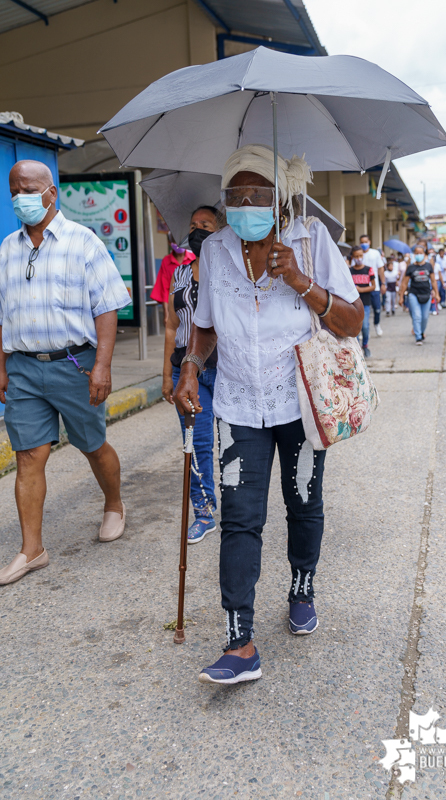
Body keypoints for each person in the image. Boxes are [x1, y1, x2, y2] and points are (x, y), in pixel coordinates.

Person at [174, 144, 364, 685]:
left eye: (257, 195)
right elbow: (205, 324)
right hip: (237, 401)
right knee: (240, 519)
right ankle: (240, 642)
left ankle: (302, 586)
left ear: (281, 199)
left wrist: (302, 281)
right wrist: (190, 365)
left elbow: (350, 321)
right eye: (235, 195)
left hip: (298, 402)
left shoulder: (310, 238)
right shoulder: (214, 250)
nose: (245, 204)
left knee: (303, 502)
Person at [0, 160, 131, 585]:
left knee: (92, 445)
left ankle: (114, 503)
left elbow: (107, 306)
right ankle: (31, 549)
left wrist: (103, 367)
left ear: (50, 193)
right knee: (28, 455)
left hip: (75, 365)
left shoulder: (83, 242)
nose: (20, 197)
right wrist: (1, 367)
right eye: (13, 189)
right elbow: (2, 316)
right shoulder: (6, 249)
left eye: (28, 189)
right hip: (22, 368)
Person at [162, 206, 223, 542]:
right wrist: (165, 375)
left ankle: (237, 503)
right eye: (193, 225)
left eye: (206, 225)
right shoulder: (180, 274)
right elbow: (172, 325)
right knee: (196, 444)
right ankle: (203, 511)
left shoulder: (232, 271)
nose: (197, 230)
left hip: (225, 370)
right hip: (184, 372)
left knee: (230, 442)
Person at [398, 245, 440, 345]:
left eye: (421, 253)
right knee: (417, 316)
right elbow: (404, 282)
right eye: (416, 253)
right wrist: (401, 296)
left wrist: (437, 294)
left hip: (426, 294)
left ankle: (421, 332)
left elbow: (433, 281)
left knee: (425, 317)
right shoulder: (411, 267)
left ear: (425, 255)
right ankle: (418, 337)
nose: (419, 255)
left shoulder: (428, 266)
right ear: (414, 254)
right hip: (414, 294)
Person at [150, 233, 195, 325]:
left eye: (181, 242)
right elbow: (165, 289)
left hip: (193, 306)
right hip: (174, 307)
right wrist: (166, 315)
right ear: (169, 242)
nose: (178, 244)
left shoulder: (194, 259)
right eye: (175, 241)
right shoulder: (166, 261)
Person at [349, 244, 375, 357]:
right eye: (356, 256)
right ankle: (356, 348)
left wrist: (361, 289)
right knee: (354, 327)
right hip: (352, 304)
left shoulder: (368, 269)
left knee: (365, 326)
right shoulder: (349, 271)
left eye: (360, 255)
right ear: (353, 257)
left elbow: (373, 286)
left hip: (365, 302)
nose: (358, 258)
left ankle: (365, 345)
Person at [360, 234, 385, 336]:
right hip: (361, 288)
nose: (364, 244)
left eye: (366, 242)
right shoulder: (358, 254)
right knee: (362, 310)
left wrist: (383, 283)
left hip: (375, 287)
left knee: (377, 309)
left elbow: (381, 269)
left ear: (369, 242)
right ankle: (363, 329)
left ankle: (377, 324)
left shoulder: (375, 253)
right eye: (362, 242)